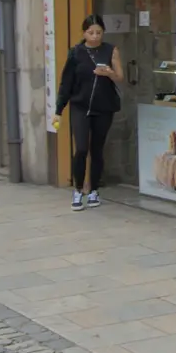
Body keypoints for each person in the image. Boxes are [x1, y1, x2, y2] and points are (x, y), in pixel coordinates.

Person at [54, 14, 122, 211]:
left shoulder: (111, 50)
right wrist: (59, 109)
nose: (95, 36)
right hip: (80, 106)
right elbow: (66, 83)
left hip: (104, 106)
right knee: (82, 148)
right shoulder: (76, 53)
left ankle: (94, 190)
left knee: (97, 149)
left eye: (98, 32)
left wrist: (109, 73)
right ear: (84, 33)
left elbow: (120, 77)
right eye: (91, 32)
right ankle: (78, 190)